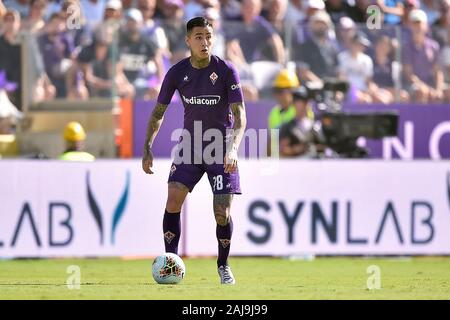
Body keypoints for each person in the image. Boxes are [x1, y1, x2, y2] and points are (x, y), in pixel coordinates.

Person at [141, 17, 246, 285]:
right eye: (199, 37)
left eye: (209, 36)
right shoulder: (177, 73)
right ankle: (170, 264)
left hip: (220, 148)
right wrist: (147, 147)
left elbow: (240, 115)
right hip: (189, 146)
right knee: (173, 200)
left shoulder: (226, 71)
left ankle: (223, 266)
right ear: (188, 40)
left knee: (222, 212)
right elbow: (158, 112)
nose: (205, 42)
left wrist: (233, 148)